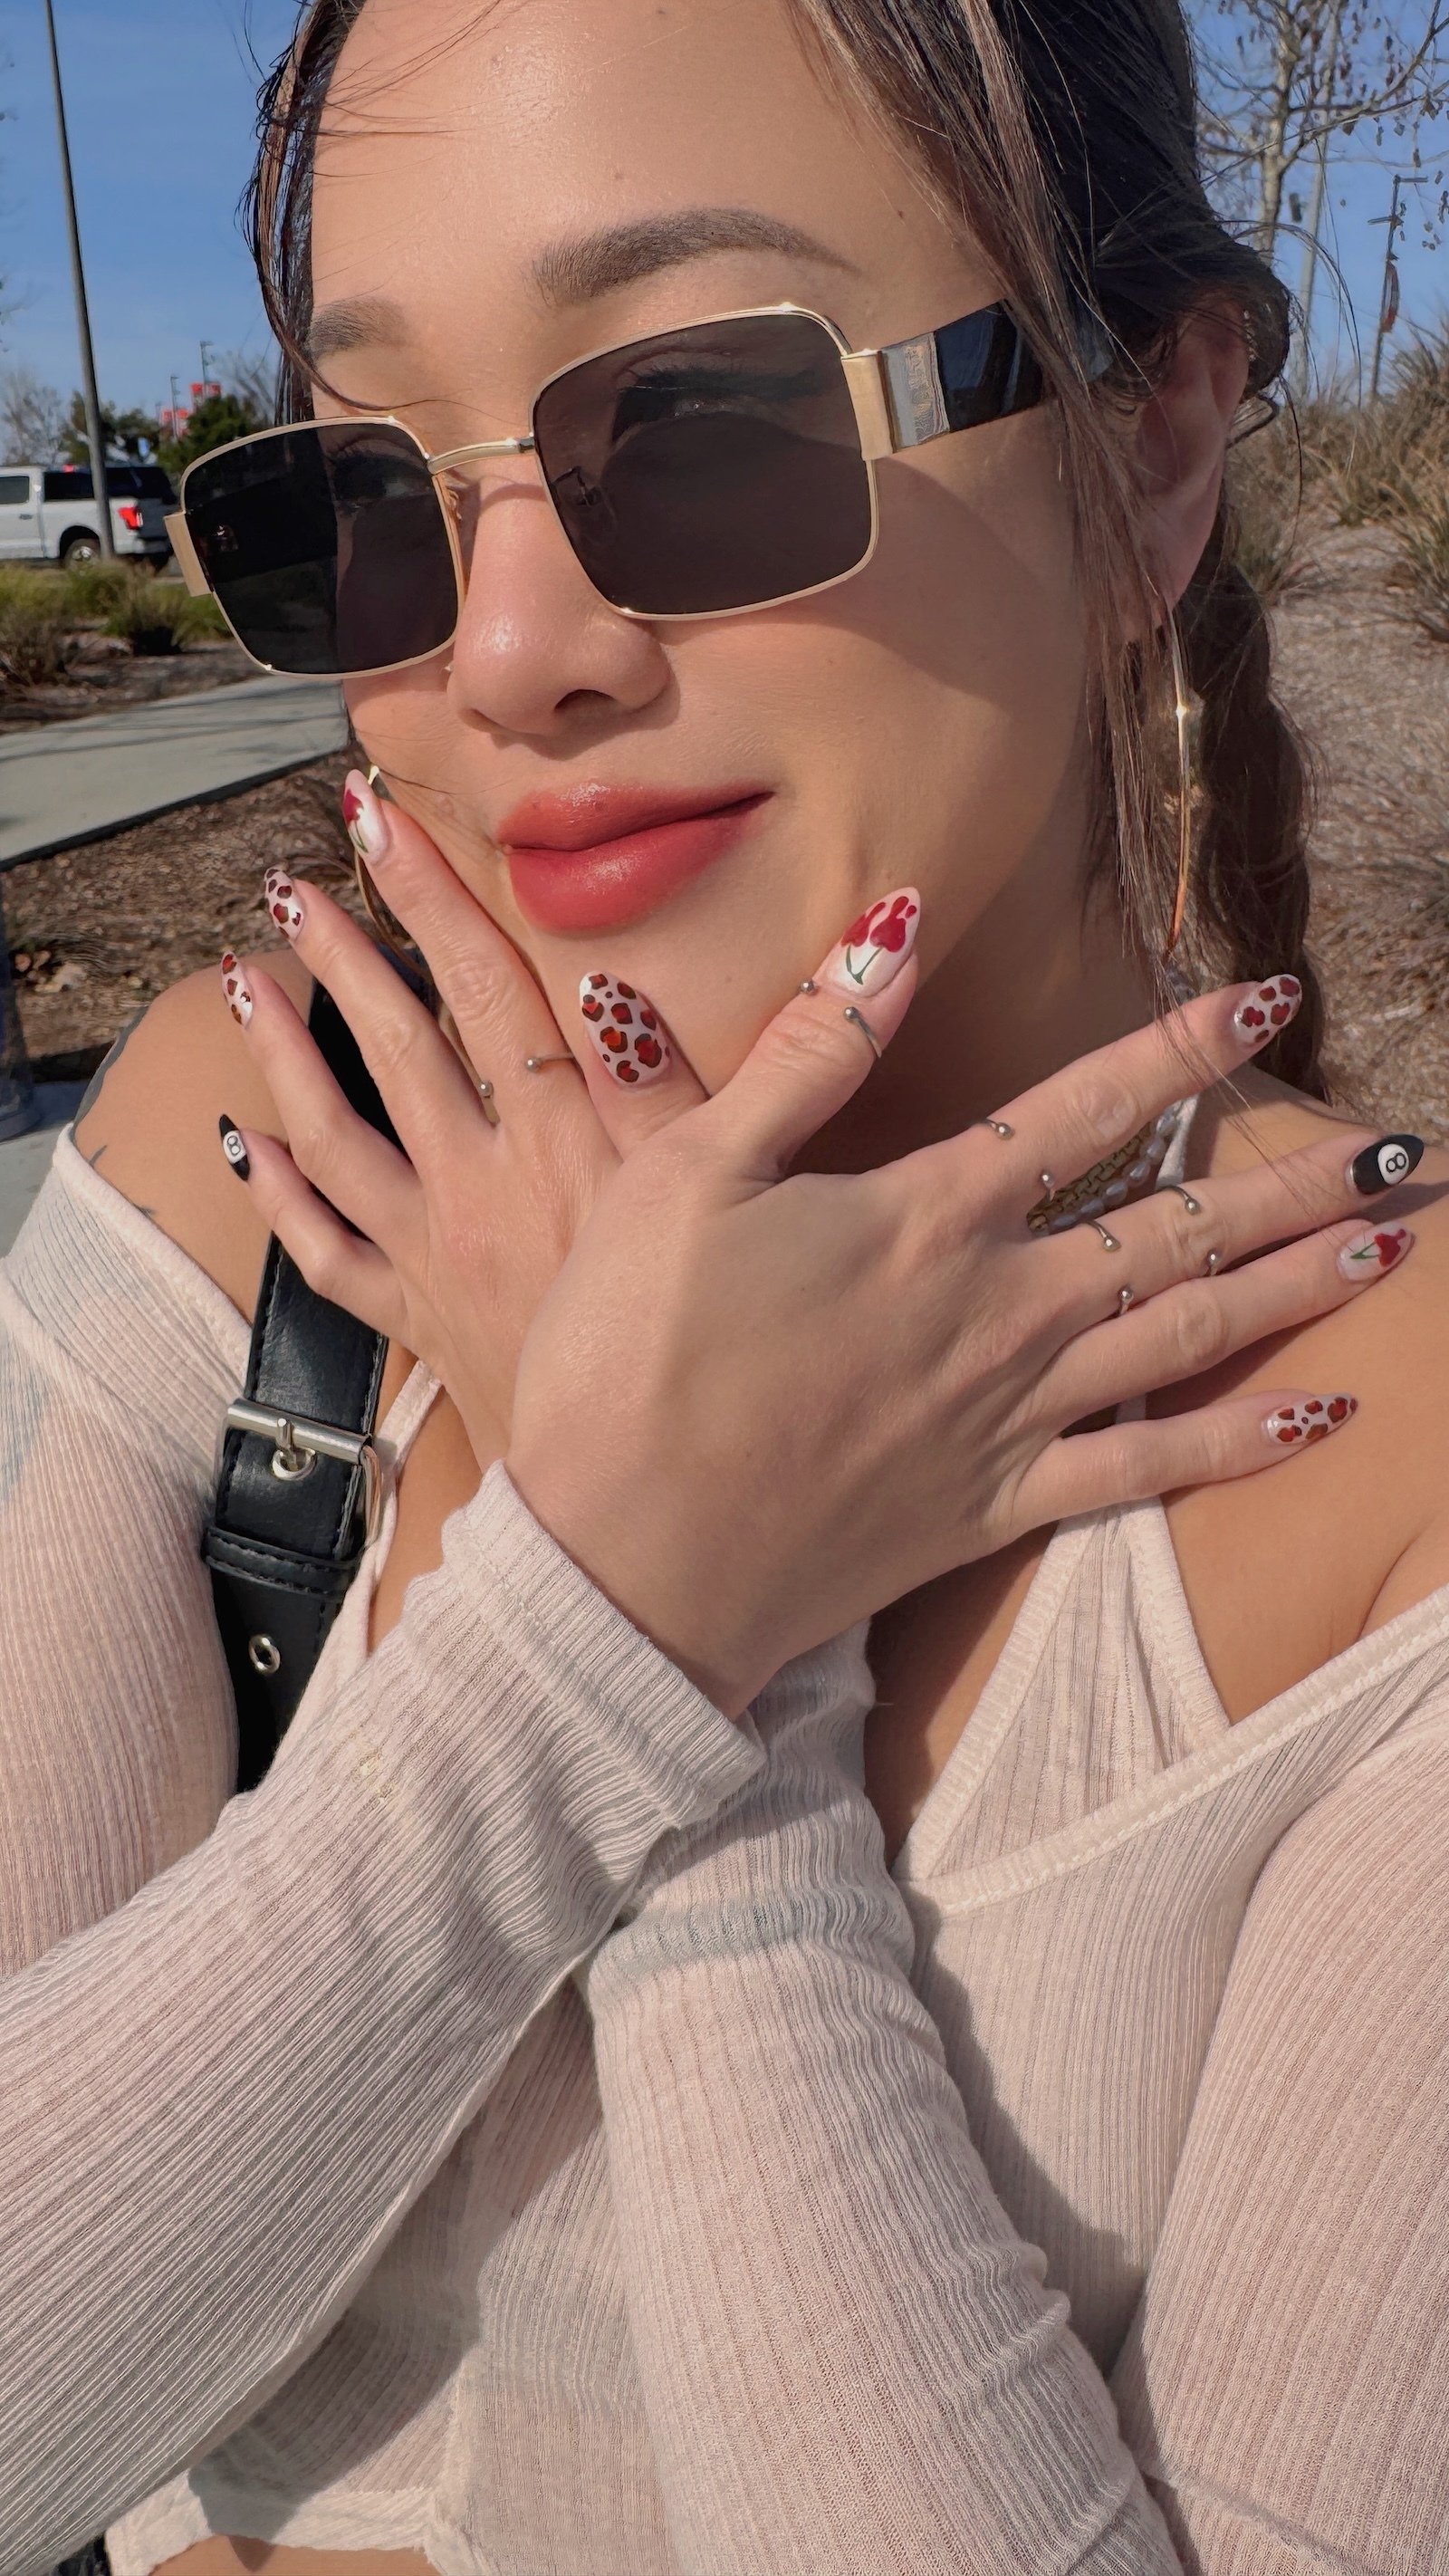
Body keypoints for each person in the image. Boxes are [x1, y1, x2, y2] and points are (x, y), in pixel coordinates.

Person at [2, 0, 1445, 2570]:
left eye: (695, 425)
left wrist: (716, 1727)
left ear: (1151, 444)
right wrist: (615, 1626)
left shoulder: (1385, 1444)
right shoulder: (256, 1163)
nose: (503, 652)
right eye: (369, 493)